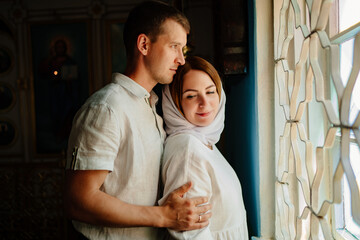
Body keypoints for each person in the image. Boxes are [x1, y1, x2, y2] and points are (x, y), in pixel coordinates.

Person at [63, 2, 212, 239]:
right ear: (144, 45)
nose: (181, 60)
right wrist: (163, 216)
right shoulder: (107, 108)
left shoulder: (151, 106)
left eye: (182, 50)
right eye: (174, 47)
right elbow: (79, 201)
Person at [159, 56, 248, 239]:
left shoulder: (204, 141)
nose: (204, 103)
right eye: (191, 95)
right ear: (175, 102)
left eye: (210, 91)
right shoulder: (187, 148)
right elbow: (190, 233)